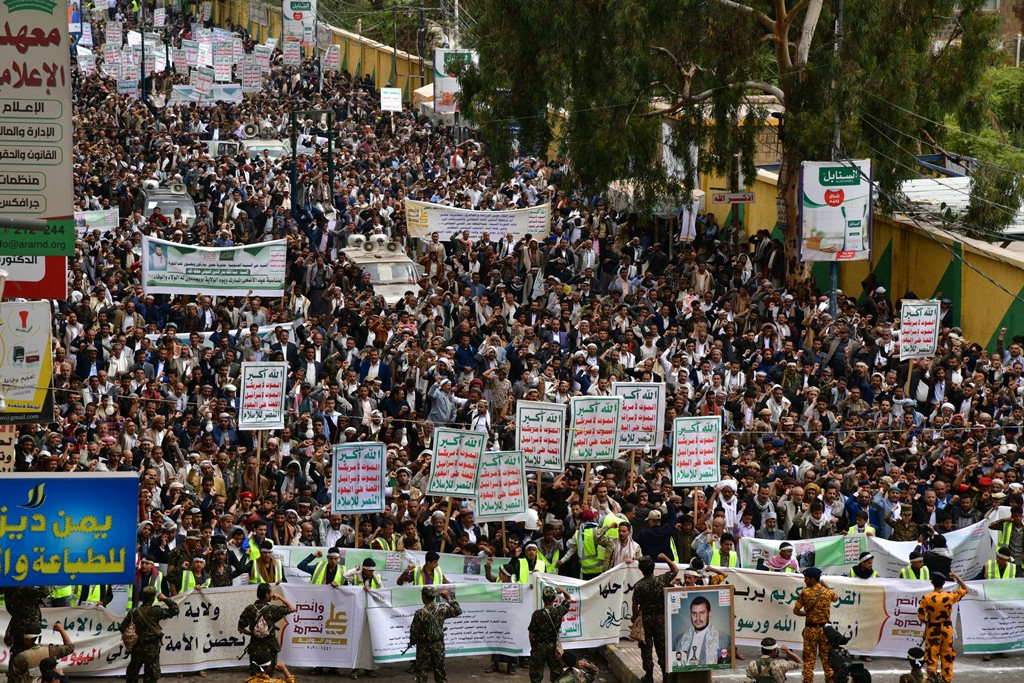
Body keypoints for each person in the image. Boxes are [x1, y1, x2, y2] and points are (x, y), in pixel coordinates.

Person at [631, 553, 679, 683]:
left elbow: (635, 605)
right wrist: (666, 559)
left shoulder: (639, 586)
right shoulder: (662, 580)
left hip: (645, 619)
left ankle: (649, 675)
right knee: (662, 646)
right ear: (653, 567)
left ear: (641, 570)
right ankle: (665, 675)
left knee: (646, 647)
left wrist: (635, 617)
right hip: (660, 618)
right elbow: (675, 570)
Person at [119, 586, 180, 683]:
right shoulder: (157, 611)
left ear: (143, 596)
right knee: (151, 675)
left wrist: (131, 636)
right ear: (154, 598)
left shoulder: (133, 612)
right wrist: (165, 599)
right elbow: (175, 610)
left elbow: (122, 628)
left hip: (137, 647)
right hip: (152, 647)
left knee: (133, 673)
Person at [916, 571, 967, 678]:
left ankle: (931, 679)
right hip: (947, 629)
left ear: (932, 582)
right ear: (944, 583)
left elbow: (921, 615)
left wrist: (927, 622)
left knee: (931, 656)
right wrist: (957, 577)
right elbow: (965, 589)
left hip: (932, 628)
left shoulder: (927, 598)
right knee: (947, 656)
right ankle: (946, 680)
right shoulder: (950, 596)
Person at [238, 584, 296, 674]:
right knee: (268, 674)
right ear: (266, 595)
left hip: (254, 647)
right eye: (271, 593)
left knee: (255, 675)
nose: (272, 594)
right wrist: (280, 597)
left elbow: (240, 628)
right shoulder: (272, 609)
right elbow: (292, 608)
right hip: (270, 648)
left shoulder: (249, 609)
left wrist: (253, 633)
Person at [793, 567, 838, 683]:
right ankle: (830, 681)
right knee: (827, 660)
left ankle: (808, 681)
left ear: (812, 580)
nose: (804, 581)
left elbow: (796, 611)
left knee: (808, 661)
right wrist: (825, 585)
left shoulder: (805, 592)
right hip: (825, 631)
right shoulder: (828, 592)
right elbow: (835, 598)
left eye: (806, 579)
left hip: (810, 630)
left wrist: (808, 614)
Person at [408, 586, 462, 683]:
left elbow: (414, 631)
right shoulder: (442, 609)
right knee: (440, 671)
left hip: (423, 646)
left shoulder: (419, 613)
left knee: (422, 672)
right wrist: (448, 598)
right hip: (438, 645)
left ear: (424, 597)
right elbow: (458, 611)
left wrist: (412, 641)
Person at [528, 585, 573, 683]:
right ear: (554, 598)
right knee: (557, 676)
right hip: (554, 648)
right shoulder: (559, 611)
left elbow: (531, 634)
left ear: (543, 599)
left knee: (536, 676)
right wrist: (563, 591)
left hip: (539, 647)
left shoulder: (537, 614)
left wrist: (533, 646)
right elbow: (569, 598)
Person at [7, 623, 74, 683]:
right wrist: (61, 629)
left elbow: (14, 679)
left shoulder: (21, 657)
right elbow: (70, 647)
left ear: (28, 640)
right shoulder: (51, 651)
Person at [672, 594, 728, 666]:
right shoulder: (679, 640)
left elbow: (723, 667)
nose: (697, 617)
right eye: (694, 613)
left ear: (709, 614)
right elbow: (675, 665)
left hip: (706, 676)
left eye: (702, 612)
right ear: (690, 615)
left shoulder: (723, 640)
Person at [3, 586, 49, 658]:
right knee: (27, 651)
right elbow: (45, 592)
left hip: (20, 622)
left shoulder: (12, 586)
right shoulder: (26, 586)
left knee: (20, 651)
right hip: (28, 624)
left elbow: (9, 606)